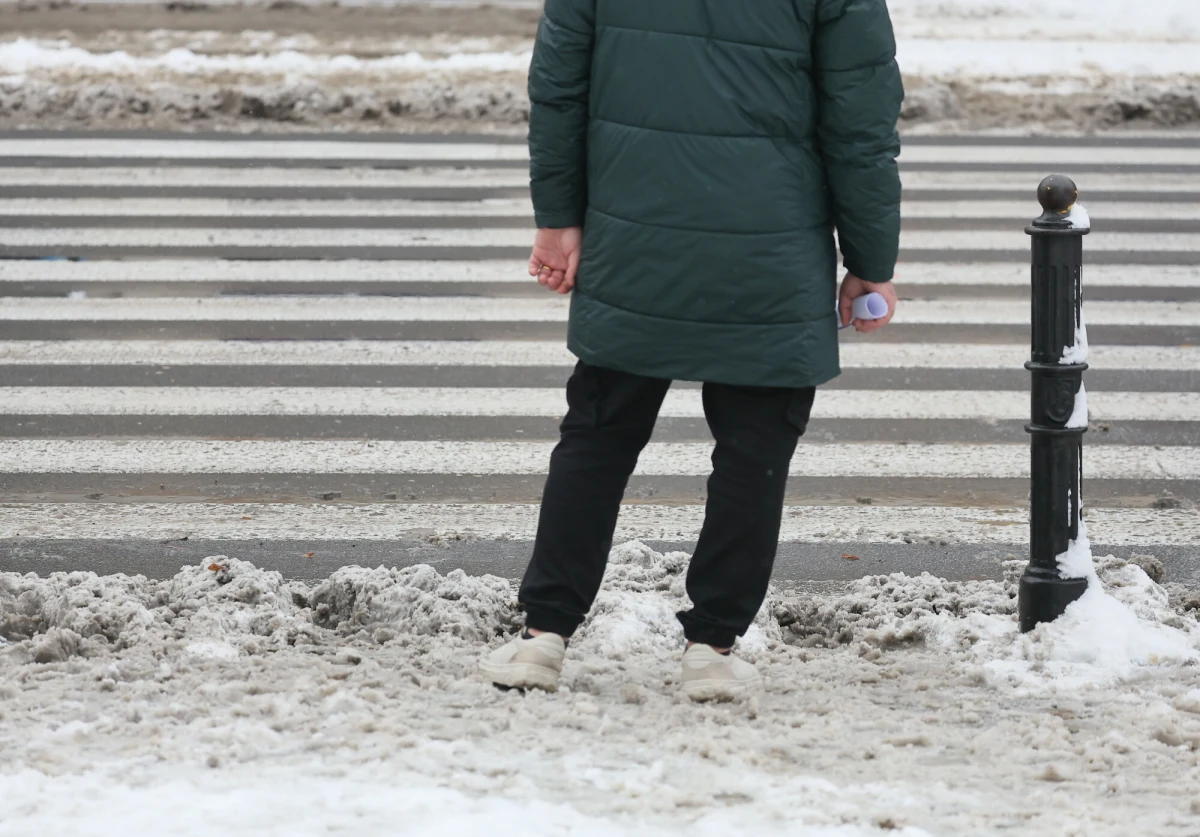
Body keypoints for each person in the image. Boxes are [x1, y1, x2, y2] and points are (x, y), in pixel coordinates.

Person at [481, 0, 903, 700]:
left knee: (598, 429)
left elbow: (558, 89)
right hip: (770, 245)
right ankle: (711, 646)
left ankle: (543, 636)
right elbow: (859, 125)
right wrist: (870, 259)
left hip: (633, 231)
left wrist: (559, 218)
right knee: (755, 447)